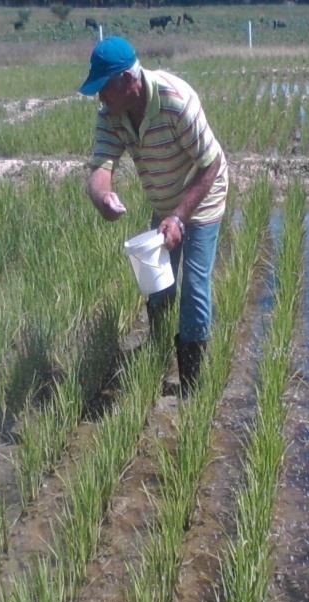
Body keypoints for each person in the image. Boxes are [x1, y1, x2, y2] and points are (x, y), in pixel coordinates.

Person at [79, 36, 228, 395]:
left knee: (194, 287)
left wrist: (180, 217)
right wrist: (103, 197)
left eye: (104, 89)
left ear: (129, 82)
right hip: (164, 204)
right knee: (158, 286)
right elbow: (101, 166)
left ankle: (191, 383)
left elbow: (212, 164)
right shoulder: (111, 116)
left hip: (202, 199)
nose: (100, 99)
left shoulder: (176, 100)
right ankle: (160, 352)